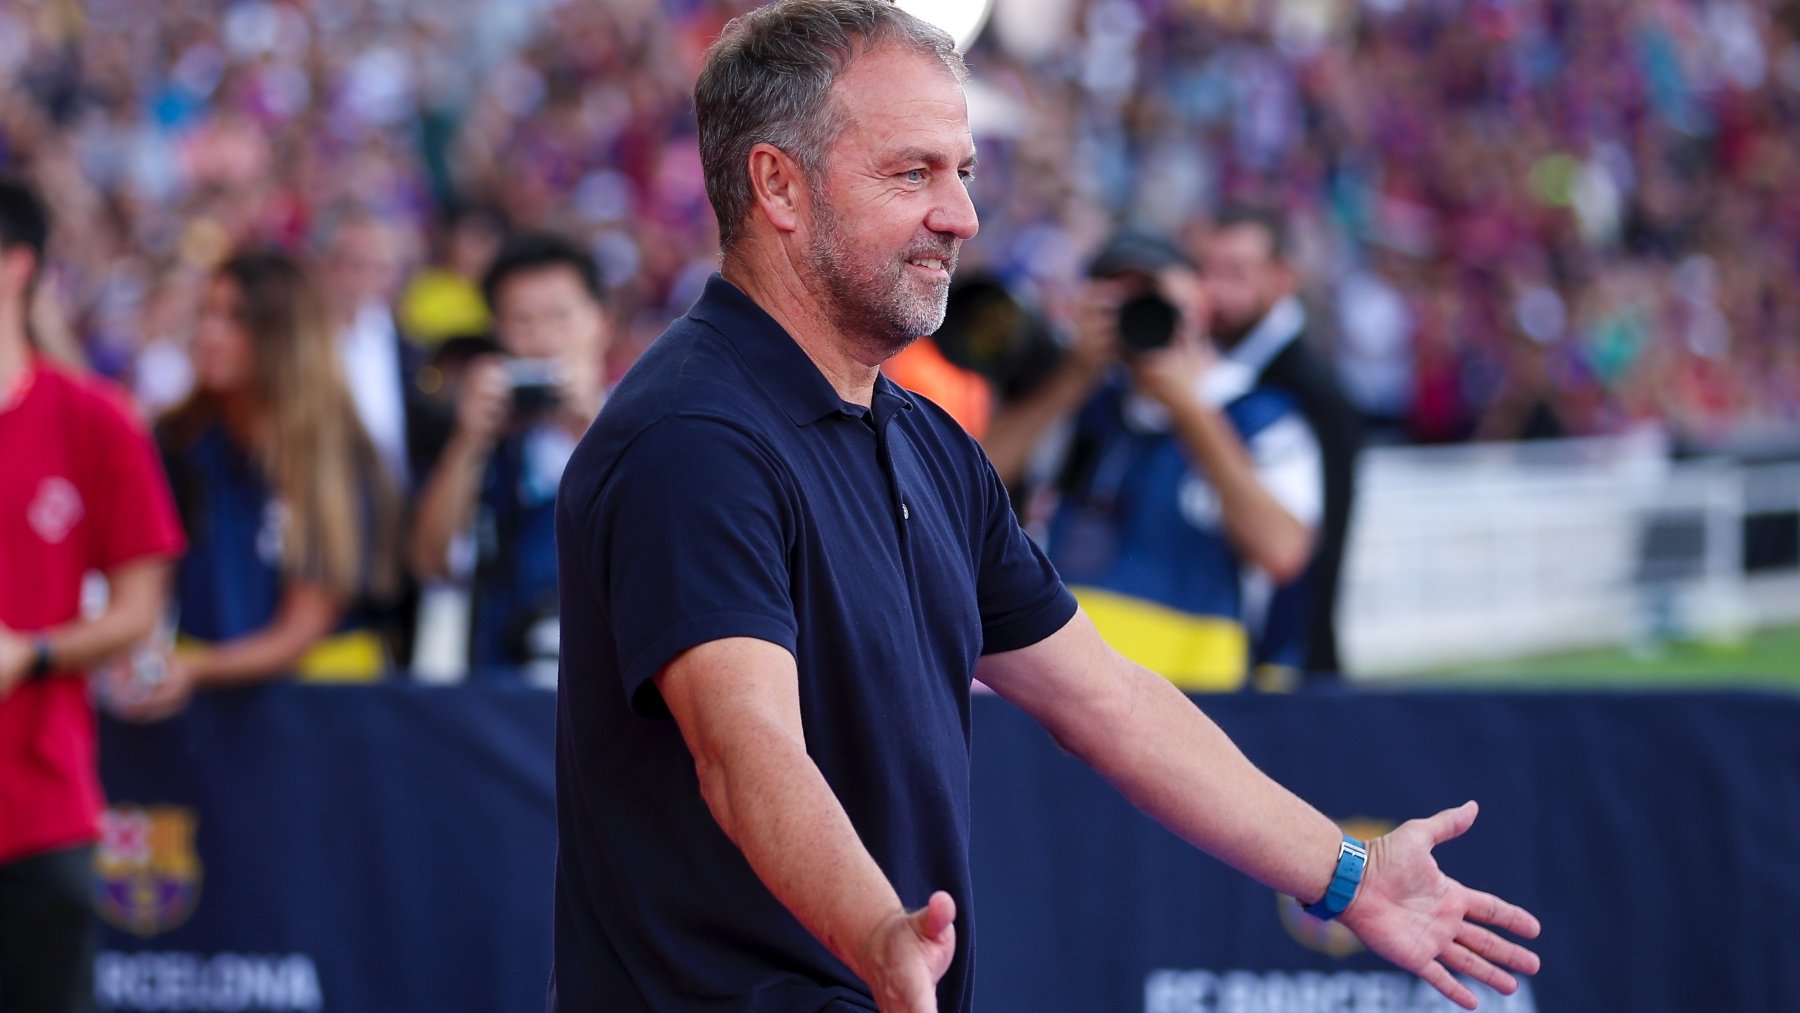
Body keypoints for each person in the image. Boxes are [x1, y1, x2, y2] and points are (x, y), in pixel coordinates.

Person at [551, 3, 1539, 1012]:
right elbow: (743, 744)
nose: (962, 217)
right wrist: (876, 933)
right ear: (778, 185)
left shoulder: (926, 442)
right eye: (913, 172)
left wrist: (1347, 872)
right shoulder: (692, 437)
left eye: (964, 172)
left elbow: (1106, 700)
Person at [0, 176, 186, 1013]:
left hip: (42, 809)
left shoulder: (96, 420)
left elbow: (140, 609)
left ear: (16, 264)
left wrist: (32, 652)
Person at [117, 249, 404, 721]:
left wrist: (189, 668)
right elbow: (147, 591)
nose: (208, 334)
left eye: (235, 320)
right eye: (206, 313)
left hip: (324, 707)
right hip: (205, 707)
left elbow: (304, 626)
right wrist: (151, 665)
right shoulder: (178, 440)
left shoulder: (337, 454)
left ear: (284, 338)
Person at [410, 232, 609, 679]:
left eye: (560, 317)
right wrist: (467, 443)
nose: (542, 339)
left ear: (601, 322)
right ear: (497, 333)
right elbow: (430, 560)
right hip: (504, 690)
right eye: (522, 320)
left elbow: (668, 542)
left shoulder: (643, 427)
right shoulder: (490, 442)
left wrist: (594, 428)